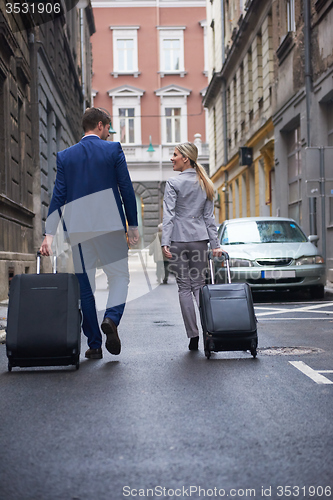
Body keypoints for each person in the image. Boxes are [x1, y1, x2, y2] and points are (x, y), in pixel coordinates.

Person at [40, 107, 139, 359]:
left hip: (79, 230)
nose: (109, 132)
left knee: (85, 287)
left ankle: (94, 345)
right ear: (100, 125)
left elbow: (58, 197)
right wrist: (133, 226)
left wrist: (48, 234)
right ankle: (112, 319)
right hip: (111, 228)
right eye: (108, 127)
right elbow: (126, 189)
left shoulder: (65, 156)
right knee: (119, 277)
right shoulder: (113, 150)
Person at [161, 142, 223, 351]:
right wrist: (215, 245)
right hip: (199, 240)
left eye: (175, 155)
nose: (172, 158)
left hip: (178, 240)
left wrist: (165, 242)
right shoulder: (205, 182)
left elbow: (169, 215)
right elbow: (209, 218)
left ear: (185, 158)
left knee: (184, 288)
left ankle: (193, 336)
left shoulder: (173, 183)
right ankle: (208, 331)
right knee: (199, 286)